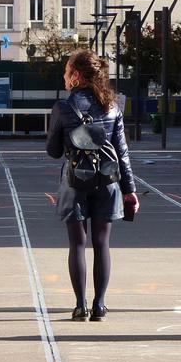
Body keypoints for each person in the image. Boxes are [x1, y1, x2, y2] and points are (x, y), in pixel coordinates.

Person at [46, 49, 137, 322]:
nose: (64, 76)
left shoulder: (63, 107)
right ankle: (99, 305)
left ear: (75, 75)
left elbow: (52, 151)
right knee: (102, 242)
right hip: (108, 181)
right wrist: (129, 190)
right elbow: (122, 153)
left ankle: (80, 305)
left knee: (77, 243)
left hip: (75, 181)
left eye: (66, 70)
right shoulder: (112, 106)